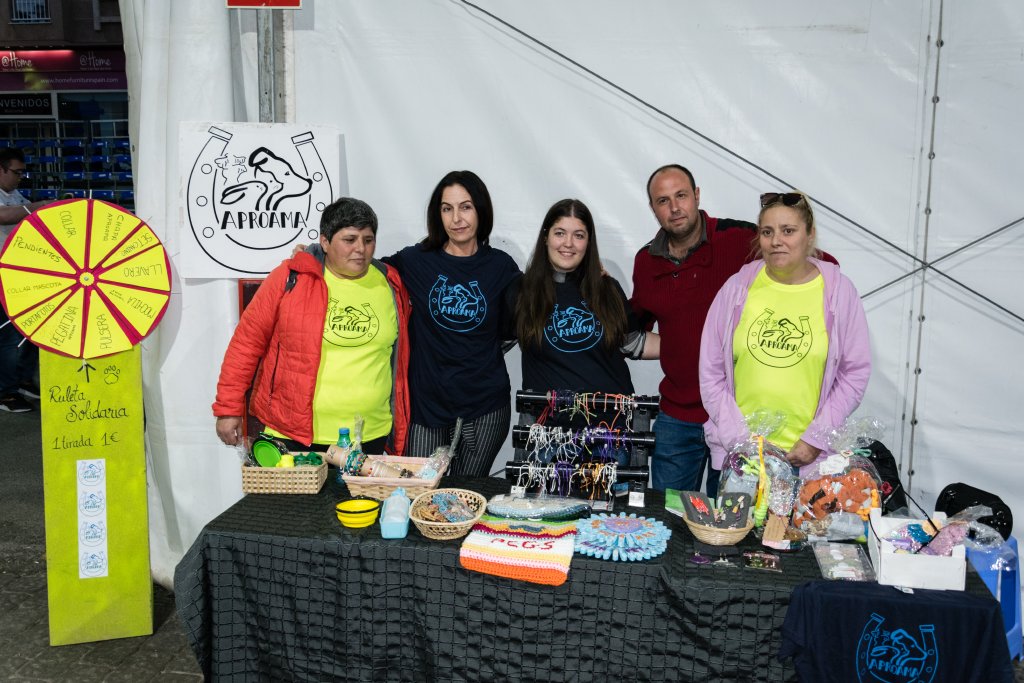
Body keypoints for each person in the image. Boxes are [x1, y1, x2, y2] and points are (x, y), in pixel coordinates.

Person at [213, 196, 411, 455]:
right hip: (294, 435)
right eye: (350, 239)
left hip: (369, 434)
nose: (360, 249)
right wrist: (228, 408)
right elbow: (246, 344)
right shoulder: (291, 277)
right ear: (325, 242)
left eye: (368, 239)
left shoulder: (389, 281)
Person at [699, 191, 871, 473]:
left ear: (810, 235)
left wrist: (816, 440)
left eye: (788, 231)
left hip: (808, 462)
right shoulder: (737, 288)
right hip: (744, 459)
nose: (776, 241)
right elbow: (710, 371)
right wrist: (740, 441)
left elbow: (854, 374)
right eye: (767, 232)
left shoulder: (839, 293)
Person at [630, 164, 757, 495]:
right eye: (663, 200)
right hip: (677, 416)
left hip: (736, 415)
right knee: (670, 515)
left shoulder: (740, 238)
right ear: (653, 208)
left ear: (697, 196)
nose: (675, 207)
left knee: (731, 516)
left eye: (681, 195)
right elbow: (631, 331)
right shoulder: (646, 261)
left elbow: (807, 261)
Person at [385, 171, 521, 476]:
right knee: (419, 492)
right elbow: (360, 268)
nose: (456, 218)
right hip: (426, 407)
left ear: (481, 210)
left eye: (466, 207)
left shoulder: (501, 266)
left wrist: (587, 275)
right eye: (447, 209)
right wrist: (316, 255)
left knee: (466, 494)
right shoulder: (416, 260)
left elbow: (521, 319)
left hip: (485, 408)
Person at [511, 198, 658, 430]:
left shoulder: (607, 288)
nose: (568, 243)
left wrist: (697, 346)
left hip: (611, 431)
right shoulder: (521, 291)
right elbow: (490, 342)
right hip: (549, 434)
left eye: (579, 235)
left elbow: (633, 343)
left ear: (588, 242)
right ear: (546, 237)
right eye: (560, 233)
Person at [0, 148, 50, 412]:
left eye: (22, 173)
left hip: (18, 273)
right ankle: (5, 393)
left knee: (30, 330)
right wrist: (38, 206)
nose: (20, 177)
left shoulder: (15, 195)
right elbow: (4, 216)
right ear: (1, 169)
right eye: (16, 172)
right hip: (2, 274)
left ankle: (21, 380)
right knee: (9, 335)